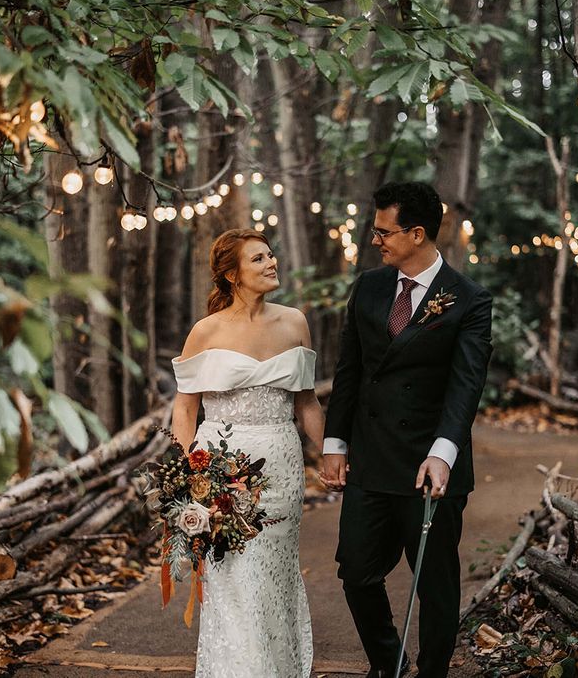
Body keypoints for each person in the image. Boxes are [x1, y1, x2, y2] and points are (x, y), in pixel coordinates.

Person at [321, 182, 493, 678]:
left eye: (384, 231)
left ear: (417, 234)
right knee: (355, 570)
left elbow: (466, 386)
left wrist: (442, 453)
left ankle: (433, 671)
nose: (375, 240)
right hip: (372, 460)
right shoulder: (370, 287)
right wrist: (335, 443)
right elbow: (349, 369)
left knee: (435, 584)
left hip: (428, 466)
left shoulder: (469, 301)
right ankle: (388, 662)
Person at [171, 229, 323, 678]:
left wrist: (333, 453)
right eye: (259, 259)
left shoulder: (295, 322)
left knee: (275, 576)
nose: (272, 263)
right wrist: (186, 475)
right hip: (221, 470)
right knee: (233, 580)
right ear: (232, 274)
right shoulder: (206, 332)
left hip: (281, 465)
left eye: (271, 255)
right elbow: (185, 406)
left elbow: (307, 402)